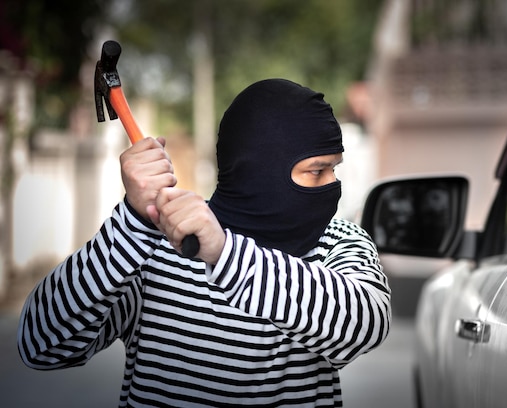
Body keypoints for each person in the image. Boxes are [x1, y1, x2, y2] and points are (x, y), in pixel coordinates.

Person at [17, 78, 391, 407]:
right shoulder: (152, 249)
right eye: (317, 171)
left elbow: (365, 325)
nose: (333, 186)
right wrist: (131, 222)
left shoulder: (339, 241)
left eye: (334, 169)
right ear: (261, 173)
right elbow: (42, 343)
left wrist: (226, 254)